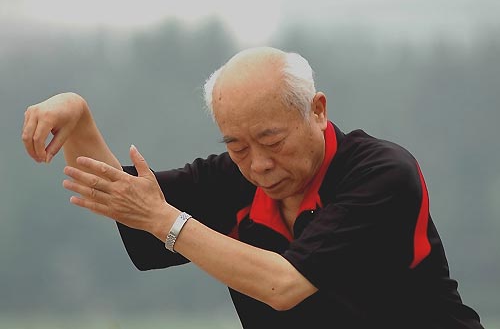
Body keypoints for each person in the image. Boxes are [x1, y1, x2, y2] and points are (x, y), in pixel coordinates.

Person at [21, 46, 484, 328]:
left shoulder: (383, 175)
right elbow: (124, 199)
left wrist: (166, 220)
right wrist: (79, 117)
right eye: (237, 146)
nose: (259, 165)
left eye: (271, 140)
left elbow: (281, 284)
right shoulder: (233, 177)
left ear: (317, 110)